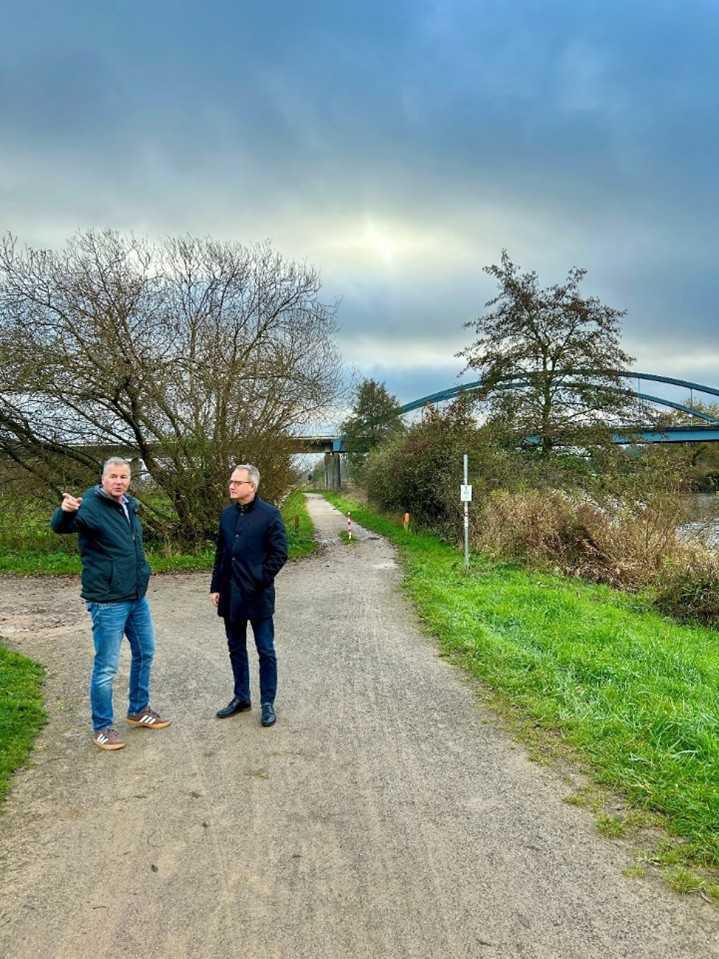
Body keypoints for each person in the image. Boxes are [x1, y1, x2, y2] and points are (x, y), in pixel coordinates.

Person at [51, 457, 171, 751]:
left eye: (124, 477)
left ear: (129, 480)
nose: (119, 481)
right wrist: (64, 511)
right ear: (103, 478)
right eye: (113, 476)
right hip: (107, 601)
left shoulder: (129, 505)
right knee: (106, 666)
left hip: (135, 596)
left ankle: (138, 710)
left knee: (145, 652)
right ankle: (102, 727)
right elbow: (62, 526)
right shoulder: (90, 506)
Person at [210, 464, 288, 727]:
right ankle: (241, 697)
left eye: (237, 482)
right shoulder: (227, 515)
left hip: (258, 595)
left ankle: (267, 703)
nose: (231, 486)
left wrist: (260, 578)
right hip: (230, 595)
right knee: (235, 648)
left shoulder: (270, 515)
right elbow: (221, 554)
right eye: (231, 481)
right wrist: (216, 586)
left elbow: (280, 553)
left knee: (265, 650)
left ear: (252, 486)